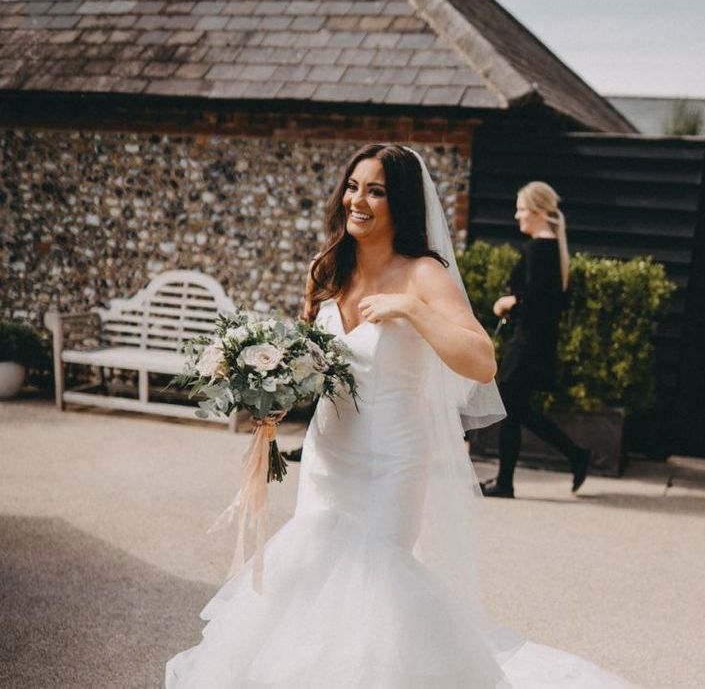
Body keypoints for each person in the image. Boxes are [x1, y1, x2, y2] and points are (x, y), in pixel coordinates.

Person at [166, 145, 634, 688]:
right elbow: (310, 360)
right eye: (353, 186)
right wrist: (267, 388)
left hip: (391, 462)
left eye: (376, 190)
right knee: (314, 576)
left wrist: (410, 308)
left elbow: (482, 362)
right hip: (328, 456)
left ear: (402, 202)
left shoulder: (422, 274)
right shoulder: (327, 268)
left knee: (376, 586)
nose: (357, 200)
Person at [481, 182, 591, 499]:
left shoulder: (538, 250)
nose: (517, 216)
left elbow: (538, 302)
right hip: (535, 341)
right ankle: (569, 457)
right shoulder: (551, 249)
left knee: (510, 406)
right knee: (515, 409)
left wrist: (507, 302)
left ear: (540, 211)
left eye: (522, 209)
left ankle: (508, 481)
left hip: (528, 342)